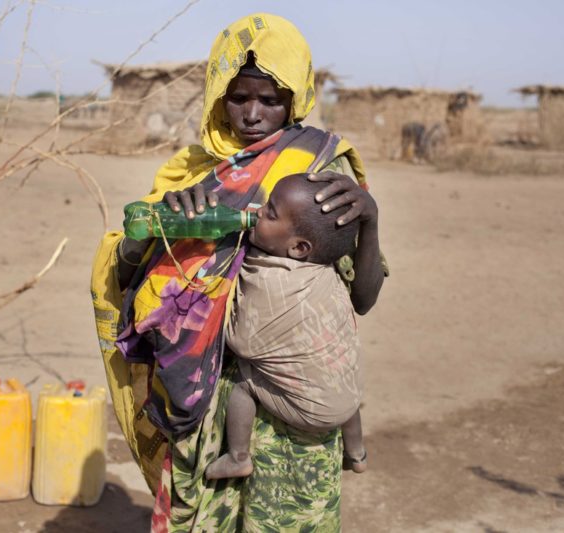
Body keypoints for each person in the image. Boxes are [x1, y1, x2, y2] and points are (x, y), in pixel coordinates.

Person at [91, 13, 388, 530]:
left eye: (270, 100)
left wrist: (371, 219)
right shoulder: (195, 172)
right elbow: (129, 271)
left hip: (295, 407)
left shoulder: (317, 169)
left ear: (295, 97)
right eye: (238, 97)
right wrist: (166, 228)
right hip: (207, 401)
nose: (252, 114)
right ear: (216, 96)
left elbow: (361, 299)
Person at [205, 173, 368, 481]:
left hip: (313, 413)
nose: (257, 212)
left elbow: (242, 342)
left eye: (270, 213)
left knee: (243, 382)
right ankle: (357, 452)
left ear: (298, 247)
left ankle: (238, 457)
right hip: (350, 395)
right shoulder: (324, 269)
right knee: (340, 380)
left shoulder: (269, 281)